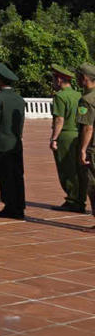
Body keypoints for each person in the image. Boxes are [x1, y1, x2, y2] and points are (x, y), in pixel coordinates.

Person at [0, 63, 26, 220]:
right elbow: (20, 123)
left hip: (1, 144)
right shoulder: (19, 99)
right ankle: (20, 206)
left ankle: (10, 207)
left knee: (5, 176)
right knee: (17, 175)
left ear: (0, 80)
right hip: (16, 143)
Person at [48, 64, 85, 212]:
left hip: (65, 136)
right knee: (79, 170)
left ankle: (73, 200)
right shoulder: (79, 95)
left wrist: (54, 138)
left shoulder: (60, 96)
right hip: (78, 134)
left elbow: (59, 120)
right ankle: (80, 199)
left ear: (59, 80)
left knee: (66, 169)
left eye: (53, 79)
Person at [74, 63, 95, 224]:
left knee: (92, 184)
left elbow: (88, 127)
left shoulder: (86, 100)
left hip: (93, 148)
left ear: (84, 78)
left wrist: (82, 149)